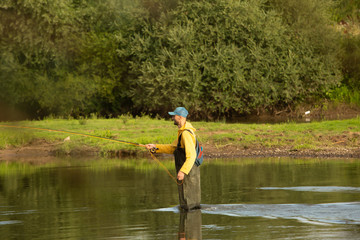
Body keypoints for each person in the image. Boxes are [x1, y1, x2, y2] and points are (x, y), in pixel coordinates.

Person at [146, 107, 201, 210]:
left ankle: (189, 223)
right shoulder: (182, 132)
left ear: (180, 117)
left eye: (174, 116)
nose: (172, 118)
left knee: (189, 204)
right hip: (188, 171)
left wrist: (183, 172)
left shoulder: (185, 134)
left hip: (188, 172)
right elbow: (173, 148)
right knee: (189, 204)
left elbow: (191, 155)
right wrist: (155, 147)